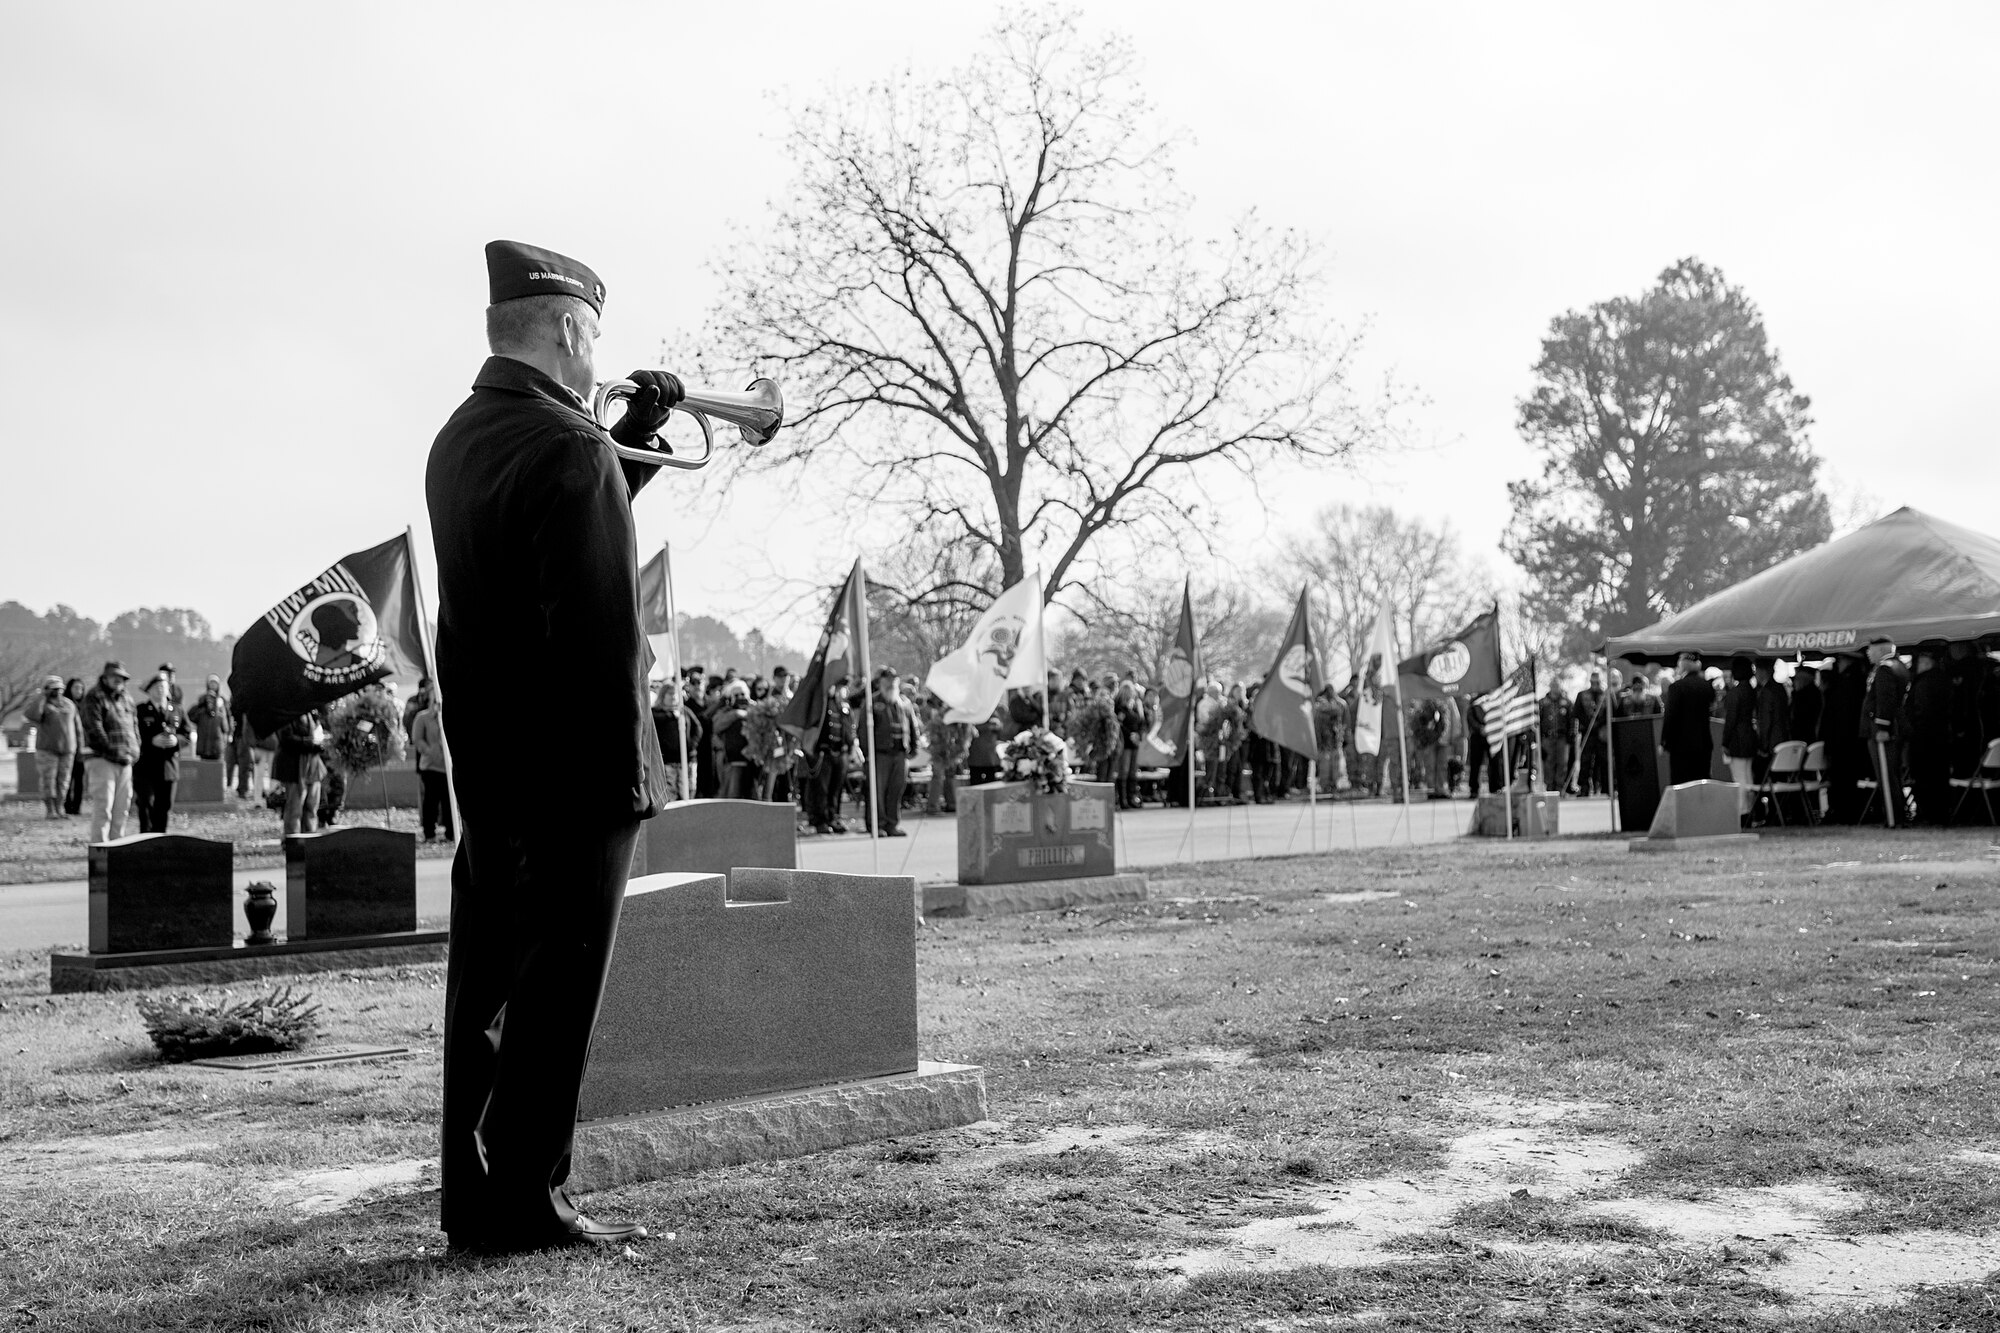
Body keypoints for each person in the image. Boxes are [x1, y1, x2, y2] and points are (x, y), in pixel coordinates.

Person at [425, 240, 683, 1253]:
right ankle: (531, 1202)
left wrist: (629, 434)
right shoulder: (565, 446)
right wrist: (625, 767)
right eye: (595, 342)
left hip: (492, 763)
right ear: (574, 331)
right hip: (572, 771)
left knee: (489, 990)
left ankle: (479, 1204)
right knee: (555, 996)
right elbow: (595, 627)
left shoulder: (467, 434)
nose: (597, 358)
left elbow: (552, 513)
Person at [80, 660, 139, 843]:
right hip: (102, 760)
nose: (118, 680)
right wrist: (113, 750)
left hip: (125, 761)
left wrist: (135, 749)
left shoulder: (127, 699)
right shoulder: (94, 697)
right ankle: (100, 849)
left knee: (122, 809)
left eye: (121, 677)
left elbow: (134, 728)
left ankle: (117, 847)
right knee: (103, 808)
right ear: (105, 677)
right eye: (114, 676)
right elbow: (94, 729)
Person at [131, 674, 191, 833]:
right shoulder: (140, 710)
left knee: (164, 806)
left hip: (168, 767)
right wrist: (150, 741)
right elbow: (133, 734)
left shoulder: (177, 710)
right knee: (146, 804)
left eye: (163, 687)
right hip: (146, 767)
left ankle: (160, 838)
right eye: (156, 687)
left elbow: (187, 734)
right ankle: (145, 839)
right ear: (148, 691)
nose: (160, 690)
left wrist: (176, 741)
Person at [1903, 645, 1954, 825]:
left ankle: (1927, 814)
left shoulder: (1924, 683)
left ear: (1924, 663)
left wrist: (1913, 730)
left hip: (1924, 739)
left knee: (1924, 778)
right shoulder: (1943, 680)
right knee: (1939, 777)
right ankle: (1940, 814)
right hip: (1940, 737)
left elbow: (1922, 711)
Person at [1863, 637, 1911, 825]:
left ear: (1881, 650)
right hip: (1895, 728)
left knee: (1886, 775)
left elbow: (1885, 700)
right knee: (1892, 774)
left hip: (1884, 730)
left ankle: (1893, 818)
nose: (1868, 653)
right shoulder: (1898, 666)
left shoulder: (1885, 668)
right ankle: (1897, 815)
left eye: (1871, 650)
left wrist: (1882, 727)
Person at [23, 675, 80, 819]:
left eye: (60, 688)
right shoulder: (42, 704)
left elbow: (78, 727)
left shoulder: (69, 704)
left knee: (63, 781)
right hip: (47, 749)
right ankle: (50, 810)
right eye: (53, 688)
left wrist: (81, 747)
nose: (57, 691)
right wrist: (41, 696)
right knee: (48, 780)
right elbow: (31, 715)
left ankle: (60, 808)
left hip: (67, 749)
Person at [869, 668, 917, 835]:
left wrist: (914, 748)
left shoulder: (904, 702)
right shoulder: (872, 702)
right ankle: (879, 825)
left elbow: (912, 727)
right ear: (880, 682)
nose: (890, 683)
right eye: (887, 680)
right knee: (879, 791)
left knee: (896, 790)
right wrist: (867, 752)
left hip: (900, 753)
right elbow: (864, 730)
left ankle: (892, 824)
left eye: (893, 680)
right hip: (881, 754)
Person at [1659, 652, 1717, 787]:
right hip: (1703, 743)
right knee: (1701, 782)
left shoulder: (1676, 687)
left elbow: (1670, 717)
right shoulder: (1706, 686)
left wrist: (1664, 741)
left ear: (1682, 667)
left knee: (1682, 783)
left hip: (1681, 745)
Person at [275, 708, 326, 836]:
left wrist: (319, 742)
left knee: (312, 807)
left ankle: (310, 838)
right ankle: (293, 841)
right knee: (295, 809)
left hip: (313, 767)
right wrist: (310, 742)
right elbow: (286, 739)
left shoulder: (312, 715)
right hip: (294, 768)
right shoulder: (286, 715)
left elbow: (318, 733)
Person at [1720, 657, 1759, 821]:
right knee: (1748, 776)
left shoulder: (1735, 693)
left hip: (1737, 738)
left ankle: (1743, 812)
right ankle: (1750, 809)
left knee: (1739, 778)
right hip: (1750, 736)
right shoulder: (1752, 691)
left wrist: (1724, 741)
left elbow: (1731, 719)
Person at [412, 691, 454, 842]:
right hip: (431, 767)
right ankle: (429, 832)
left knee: (449, 801)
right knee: (431, 800)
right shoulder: (423, 717)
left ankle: (451, 832)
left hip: (447, 767)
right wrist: (429, 751)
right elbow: (417, 738)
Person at [187, 676, 232, 777]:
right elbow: (191, 716)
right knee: (204, 769)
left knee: (217, 770)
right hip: (204, 741)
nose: (213, 686)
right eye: (211, 683)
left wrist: (219, 709)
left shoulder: (222, 702)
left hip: (217, 742)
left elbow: (226, 724)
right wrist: (202, 704)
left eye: (215, 683)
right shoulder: (202, 700)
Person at [1571, 673, 1608, 795]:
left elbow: (1611, 712)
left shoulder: (1606, 695)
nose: (1595, 685)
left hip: (1602, 734)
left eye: (1597, 682)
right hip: (1588, 732)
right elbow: (1576, 713)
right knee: (1586, 761)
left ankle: (1605, 787)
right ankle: (1584, 787)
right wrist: (1587, 724)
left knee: (1604, 761)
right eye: (1593, 682)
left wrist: (1600, 723)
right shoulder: (1582, 695)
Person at [62, 678, 89, 814]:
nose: (79, 691)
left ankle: (77, 806)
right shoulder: (64, 704)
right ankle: (67, 805)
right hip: (67, 746)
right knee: (67, 777)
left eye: (81, 688)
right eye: (76, 688)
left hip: (82, 746)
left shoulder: (86, 706)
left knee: (79, 778)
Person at [967, 709, 1005, 787]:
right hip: (976, 754)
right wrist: (988, 726)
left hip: (989, 755)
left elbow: (1000, 726)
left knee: (990, 784)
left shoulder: (992, 708)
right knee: (976, 783)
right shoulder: (973, 708)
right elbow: (971, 725)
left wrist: (996, 725)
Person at [1789, 664, 1824, 745]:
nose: (1794, 683)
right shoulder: (1814, 693)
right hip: (1808, 735)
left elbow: (1800, 718)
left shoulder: (1805, 695)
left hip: (1803, 736)